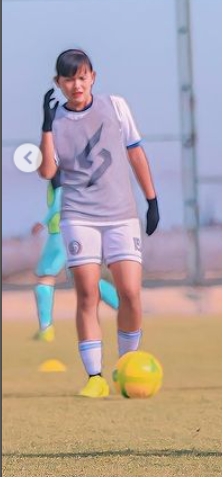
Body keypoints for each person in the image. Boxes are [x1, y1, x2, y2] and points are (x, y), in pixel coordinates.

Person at [37, 49, 160, 398]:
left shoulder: (116, 106)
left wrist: (151, 200)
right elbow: (47, 172)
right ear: (58, 83)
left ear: (93, 76)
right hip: (79, 216)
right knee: (87, 294)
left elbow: (135, 151)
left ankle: (127, 366)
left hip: (121, 214)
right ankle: (95, 377)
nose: (76, 84)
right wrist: (46, 126)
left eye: (82, 76)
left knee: (130, 294)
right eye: (68, 79)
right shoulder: (56, 120)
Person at [31, 171, 120, 342]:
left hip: (60, 232)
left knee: (45, 277)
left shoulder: (58, 168)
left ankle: (46, 329)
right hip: (79, 230)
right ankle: (125, 308)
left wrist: (42, 223)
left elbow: (58, 199)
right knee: (84, 279)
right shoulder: (77, 167)